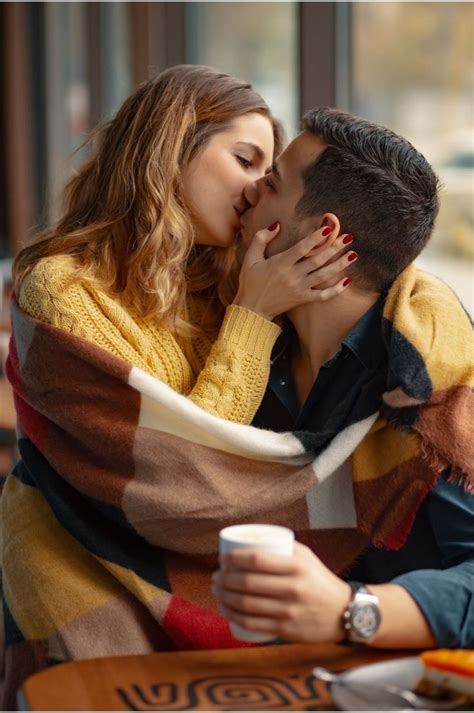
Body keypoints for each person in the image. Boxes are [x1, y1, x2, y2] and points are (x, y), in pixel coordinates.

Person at [2, 67, 355, 708]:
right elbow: (176, 472)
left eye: (269, 174)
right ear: (171, 146)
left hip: (199, 563)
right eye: (245, 159)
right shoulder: (62, 289)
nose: (256, 190)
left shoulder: (220, 282)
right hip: (75, 558)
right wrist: (252, 317)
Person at [213, 107, 474, 649]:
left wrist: (350, 610)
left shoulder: (432, 382)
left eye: (273, 182)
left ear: (323, 235)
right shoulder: (241, 326)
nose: (250, 190)